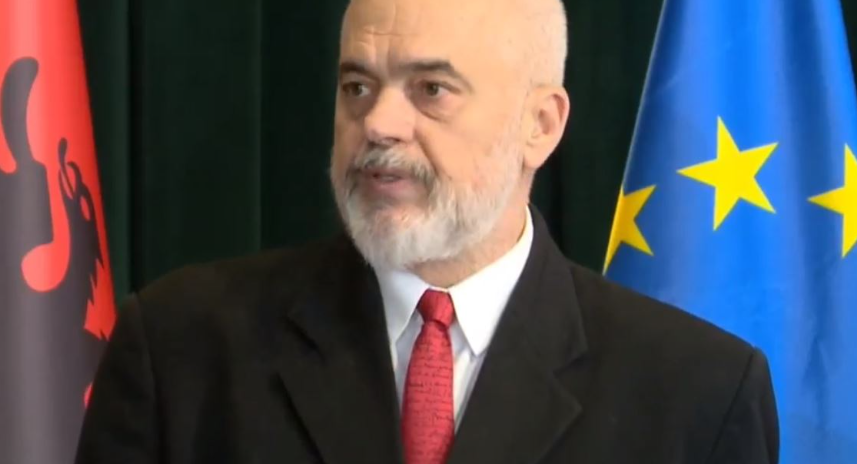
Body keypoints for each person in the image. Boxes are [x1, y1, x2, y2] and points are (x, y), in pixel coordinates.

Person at [75, 0, 779, 462]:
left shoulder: (697, 392)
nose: (378, 124)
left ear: (540, 125)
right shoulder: (182, 347)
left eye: (430, 89)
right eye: (357, 87)